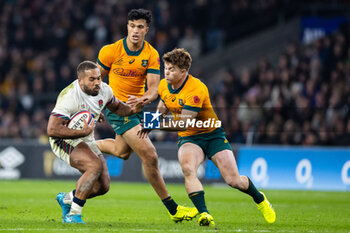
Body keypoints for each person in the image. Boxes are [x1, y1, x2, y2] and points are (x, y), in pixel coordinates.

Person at [138, 48, 276, 227]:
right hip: (190, 139)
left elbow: (184, 123)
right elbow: (165, 103)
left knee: (234, 181)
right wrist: (154, 120)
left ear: (183, 71)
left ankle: (260, 199)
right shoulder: (164, 85)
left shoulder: (196, 89)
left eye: (171, 69)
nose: (167, 72)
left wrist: (154, 124)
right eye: (166, 67)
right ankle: (204, 214)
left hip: (212, 135)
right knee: (188, 169)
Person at [95, 9, 198, 221]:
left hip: (136, 110)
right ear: (127, 27)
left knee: (121, 151)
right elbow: (93, 82)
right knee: (150, 155)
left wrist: (144, 99)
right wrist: (96, 107)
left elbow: (153, 89)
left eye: (140, 27)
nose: (135, 30)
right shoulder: (111, 51)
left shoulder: (151, 55)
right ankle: (173, 209)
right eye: (132, 26)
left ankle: (85, 145)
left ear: (146, 30)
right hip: (116, 108)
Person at [47, 61, 143, 224]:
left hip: (85, 137)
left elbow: (118, 108)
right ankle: (73, 215)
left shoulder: (104, 90)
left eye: (98, 78)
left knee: (103, 186)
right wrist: (82, 132)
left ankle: (67, 199)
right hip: (62, 139)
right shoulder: (69, 97)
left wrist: (132, 109)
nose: (97, 82)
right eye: (92, 79)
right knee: (94, 166)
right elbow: (52, 129)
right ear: (80, 80)